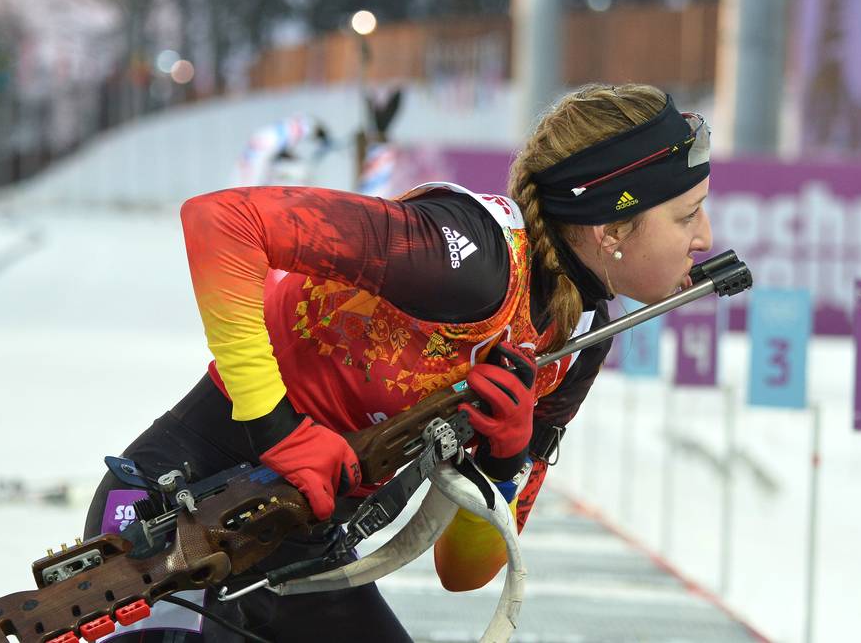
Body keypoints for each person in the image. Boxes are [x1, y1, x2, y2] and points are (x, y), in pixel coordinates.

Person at [83, 83, 714, 641]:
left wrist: (504, 460)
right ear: (611, 228)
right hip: (172, 516)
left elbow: (463, 574)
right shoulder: (467, 260)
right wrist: (276, 427)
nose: (705, 238)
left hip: (294, 548)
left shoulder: (579, 338)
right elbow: (221, 220)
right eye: (687, 214)